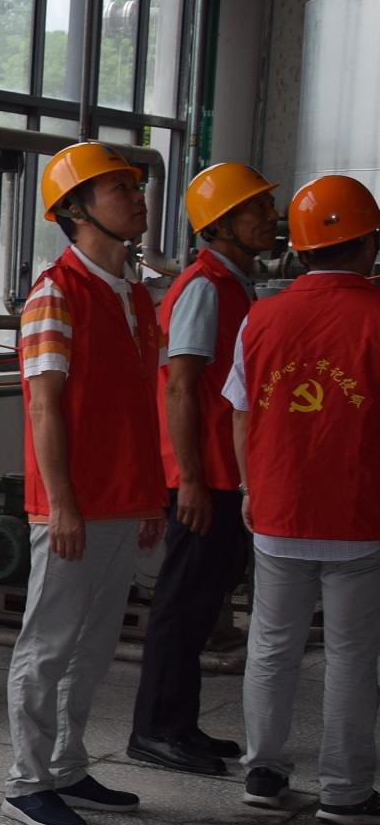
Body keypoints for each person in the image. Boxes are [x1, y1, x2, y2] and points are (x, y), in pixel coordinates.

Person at [1, 142, 167, 825]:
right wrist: (61, 503)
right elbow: (43, 406)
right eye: (119, 189)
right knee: (49, 644)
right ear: (75, 210)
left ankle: (67, 766)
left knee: (93, 646)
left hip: (123, 499)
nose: (137, 198)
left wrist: (149, 494)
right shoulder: (56, 293)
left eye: (134, 186)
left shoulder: (132, 294)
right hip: (72, 505)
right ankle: (26, 780)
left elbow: (137, 406)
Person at [227, 176, 380, 825]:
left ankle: (263, 771)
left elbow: (241, 412)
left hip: (278, 508)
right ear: (368, 244)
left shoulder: (260, 316)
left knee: (271, 644)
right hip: (358, 514)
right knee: (351, 654)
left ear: (302, 249)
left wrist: (249, 486)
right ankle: (345, 791)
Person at [126, 162, 277, 774]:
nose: (270, 217)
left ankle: (179, 725)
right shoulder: (204, 288)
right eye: (256, 209)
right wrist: (189, 478)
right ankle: (155, 730)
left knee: (199, 602)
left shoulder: (232, 285)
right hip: (203, 475)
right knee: (181, 602)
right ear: (219, 224)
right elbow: (179, 387)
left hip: (220, 473)